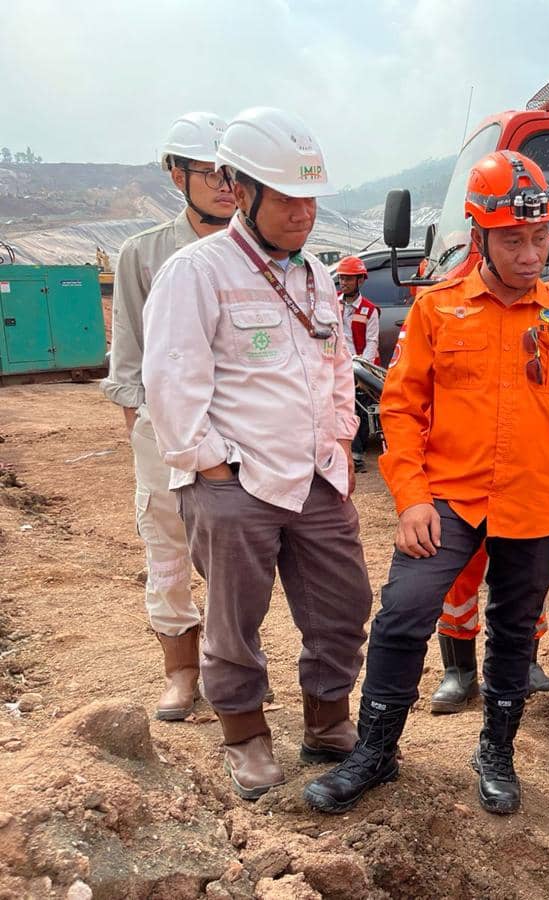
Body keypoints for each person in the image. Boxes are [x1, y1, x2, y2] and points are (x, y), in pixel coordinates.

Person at [303, 150, 549, 816]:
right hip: (450, 499)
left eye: (539, 237)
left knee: (515, 630)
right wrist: (412, 497)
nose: (531, 253)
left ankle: (495, 751)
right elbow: (402, 409)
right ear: (480, 238)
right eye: (513, 240)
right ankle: (375, 753)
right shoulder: (440, 311)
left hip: (535, 504)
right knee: (403, 616)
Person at [142, 107, 373, 801]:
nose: (304, 213)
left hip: (316, 479)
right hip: (235, 482)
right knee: (234, 622)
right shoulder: (196, 272)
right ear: (241, 190)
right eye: (288, 197)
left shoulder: (318, 277)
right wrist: (214, 469)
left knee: (343, 605)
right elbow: (171, 380)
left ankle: (328, 722)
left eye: (311, 198)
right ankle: (245, 738)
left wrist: (338, 439)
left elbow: (337, 365)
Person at [99, 111, 234, 721]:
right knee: (167, 548)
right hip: (164, 426)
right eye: (209, 172)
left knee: (236, 552)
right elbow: (128, 346)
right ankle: (181, 672)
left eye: (233, 172)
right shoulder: (143, 254)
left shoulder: (260, 250)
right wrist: (139, 425)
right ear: (177, 174)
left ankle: (233, 667)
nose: (225, 184)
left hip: (238, 427)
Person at [429, 546, 549, 715]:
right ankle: (459, 671)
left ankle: (525, 666)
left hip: (522, 520)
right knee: (459, 569)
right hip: (470, 519)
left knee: (527, 572)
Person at [334, 255, 380, 472]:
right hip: (338, 364)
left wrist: (361, 368)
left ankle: (357, 455)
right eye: (342, 278)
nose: (344, 283)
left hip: (359, 365)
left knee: (358, 410)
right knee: (342, 407)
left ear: (360, 280)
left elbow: (372, 342)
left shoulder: (370, 310)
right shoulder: (333, 303)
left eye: (349, 279)